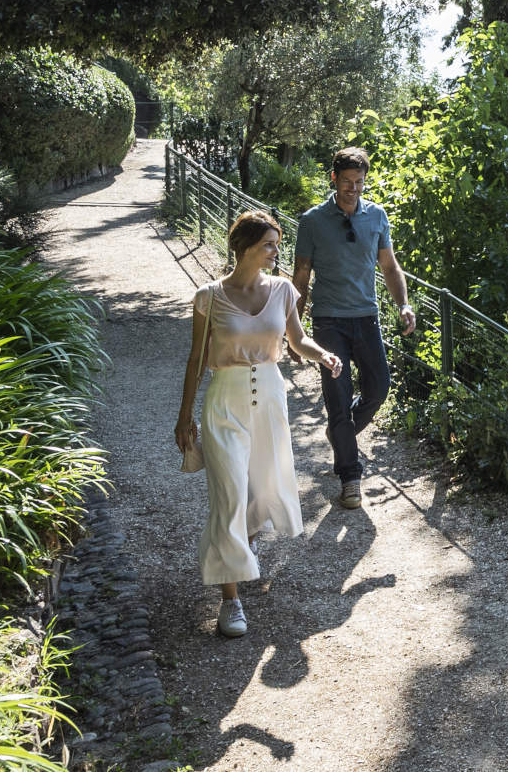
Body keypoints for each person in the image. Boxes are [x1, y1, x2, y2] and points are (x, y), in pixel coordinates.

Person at [175, 209, 342, 639]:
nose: (275, 250)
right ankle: (230, 600)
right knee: (229, 495)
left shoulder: (284, 290)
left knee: (262, 491)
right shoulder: (208, 296)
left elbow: (297, 339)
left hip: (269, 397)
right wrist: (184, 415)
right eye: (269, 243)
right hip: (223, 401)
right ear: (246, 247)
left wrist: (321, 354)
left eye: (276, 243)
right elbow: (196, 358)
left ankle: (240, 545)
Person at [292, 146, 413, 509]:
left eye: (359, 183)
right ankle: (350, 476)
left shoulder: (377, 217)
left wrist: (404, 304)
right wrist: (294, 332)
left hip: (366, 317)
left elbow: (390, 268)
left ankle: (339, 432)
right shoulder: (312, 221)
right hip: (328, 321)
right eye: (346, 182)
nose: (353, 189)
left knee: (379, 388)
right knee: (338, 398)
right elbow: (300, 278)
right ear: (334, 179)